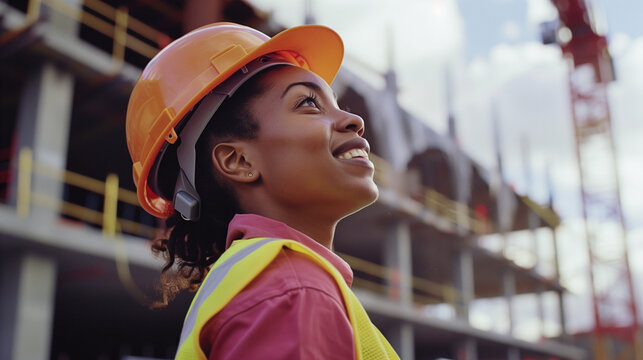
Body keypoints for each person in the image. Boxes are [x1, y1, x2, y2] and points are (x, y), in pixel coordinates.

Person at [126, 22, 399, 360]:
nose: (353, 119)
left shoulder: (264, 283)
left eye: (335, 103)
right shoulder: (293, 292)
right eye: (309, 104)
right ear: (238, 160)